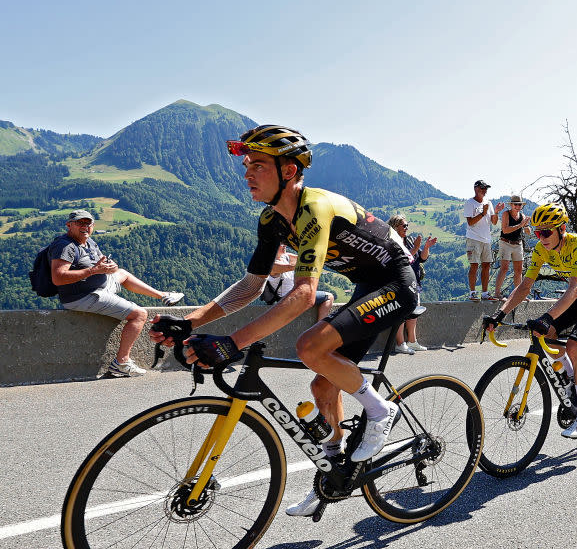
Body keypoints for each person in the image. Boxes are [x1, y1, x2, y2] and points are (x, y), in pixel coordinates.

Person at [148, 125, 418, 518]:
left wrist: (232, 343)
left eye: (258, 165)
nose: (247, 174)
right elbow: (251, 286)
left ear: (288, 171)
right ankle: (334, 472)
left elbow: (306, 293)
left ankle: (380, 412)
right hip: (367, 285)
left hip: (398, 282)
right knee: (323, 385)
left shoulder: (315, 208)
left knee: (310, 346)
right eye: (247, 165)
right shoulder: (271, 220)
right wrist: (190, 322)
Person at [482, 203, 577, 438]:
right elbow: (524, 286)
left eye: (545, 232)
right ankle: (573, 377)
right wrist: (499, 314)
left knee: (574, 348)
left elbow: (573, 289)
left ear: (562, 229)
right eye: (536, 232)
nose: (540, 238)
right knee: (546, 335)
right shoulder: (542, 250)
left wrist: (546, 316)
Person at [50, 209, 184, 377]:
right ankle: (121, 363)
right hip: (82, 297)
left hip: (96, 288)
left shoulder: (88, 242)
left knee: (122, 273)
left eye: (88, 223)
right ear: (69, 225)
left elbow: (100, 264)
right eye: (79, 223)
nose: (85, 226)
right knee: (139, 314)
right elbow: (59, 278)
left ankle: (163, 295)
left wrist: (109, 267)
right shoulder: (65, 246)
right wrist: (93, 271)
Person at [388, 214, 436, 353]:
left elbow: (421, 258)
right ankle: (400, 343)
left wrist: (426, 247)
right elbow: (403, 260)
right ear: (395, 227)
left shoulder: (408, 240)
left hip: (414, 282)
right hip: (400, 282)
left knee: (413, 312)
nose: (406, 228)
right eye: (404, 225)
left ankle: (412, 341)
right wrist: (415, 247)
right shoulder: (392, 242)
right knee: (401, 313)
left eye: (407, 225)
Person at [262, 243, 335, 321]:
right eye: (281, 244)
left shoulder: (285, 257)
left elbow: (302, 258)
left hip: (294, 296)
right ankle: (319, 327)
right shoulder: (273, 265)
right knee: (328, 297)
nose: (285, 245)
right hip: (288, 300)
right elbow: (290, 267)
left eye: (284, 243)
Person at [464, 179, 504, 302]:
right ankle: (472, 293)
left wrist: (496, 212)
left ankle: (485, 293)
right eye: (482, 188)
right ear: (475, 188)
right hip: (473, 238)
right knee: (474, 265)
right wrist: (483, 213)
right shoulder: (470, 203)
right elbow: (470, 222)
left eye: (486, 188)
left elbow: (494, 221)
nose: (484, 191)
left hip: (486, 239)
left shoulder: (489, 203)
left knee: (486, 265)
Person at [492, 195, 530, 300]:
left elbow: (527, 231)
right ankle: (497, 293)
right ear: (511, 205)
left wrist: (526, 226)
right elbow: (505, 230)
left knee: (518, 270)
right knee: (504, 268)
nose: (518, 206)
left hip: (518, 244)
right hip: (506, 243)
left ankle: (518, 295)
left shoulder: (522, 216)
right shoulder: (506, 214)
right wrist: (520, 225)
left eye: (520, 205)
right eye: (516, 204)